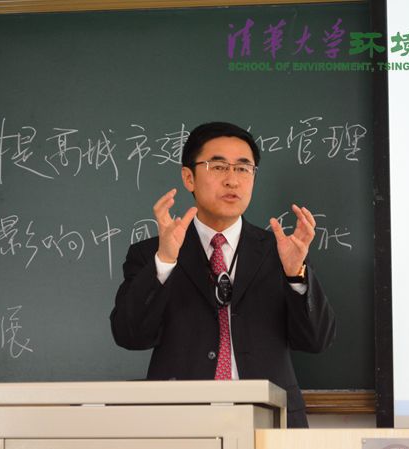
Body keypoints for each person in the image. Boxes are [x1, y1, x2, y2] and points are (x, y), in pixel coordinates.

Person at [110, 122, 335, 428]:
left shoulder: (281, 250)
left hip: (269, 420)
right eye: (218, 167)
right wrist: (164, 262)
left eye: (243, 169)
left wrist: (295, 275)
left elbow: (316, 341)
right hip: (180, 422)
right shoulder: (152, 254)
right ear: (189, 177)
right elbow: (130, 335)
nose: (232, 180)